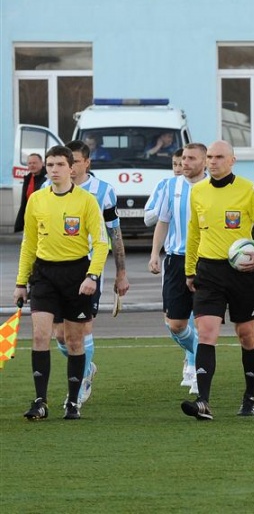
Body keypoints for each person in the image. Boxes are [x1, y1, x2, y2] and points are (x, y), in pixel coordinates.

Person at [182, 140, 254, 420]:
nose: (213, 162)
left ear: (232, 160)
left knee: (246, 334)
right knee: (206, 333)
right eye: (210, 157)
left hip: (242, 273)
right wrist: (190, 270)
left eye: (219, 157)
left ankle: (250, 395)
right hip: (208, 271)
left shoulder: (248, 190)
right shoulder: (198, 191)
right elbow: (194, 232)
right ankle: (203, 401)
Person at [15, 145, 109, 420]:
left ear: (72, 168)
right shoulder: (37, 199)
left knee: (74, 341)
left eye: (59, 165)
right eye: (50, 165)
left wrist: (92, 275)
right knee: (40, 335)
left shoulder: (86, 201)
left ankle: (73, 402)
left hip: (76, 275)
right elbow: (29, 243)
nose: (54, 170)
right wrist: (21, 282)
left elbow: (101, 243)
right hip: (44, 275)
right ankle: (40, 401)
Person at [54, 140, 129, 409]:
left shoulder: (103, 191)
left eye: (74, 161)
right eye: (66, 161)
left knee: (83, 327)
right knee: (60, 336)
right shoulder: (48, 188)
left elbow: (114, 233)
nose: (70, 167)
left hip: (89, 267)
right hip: (55, 267)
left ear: (87, 162)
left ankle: (82, 381)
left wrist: (121, 273)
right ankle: (87, 365)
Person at [148, 143, 208, 395]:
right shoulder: (171, 186)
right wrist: (155, 254)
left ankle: (198, 368)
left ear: (204, 162)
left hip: (206, 261)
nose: (185, 163)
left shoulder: (213, 186)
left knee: (204, 321)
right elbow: (162, 221)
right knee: (175, 325)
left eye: (191, 158)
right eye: (184, 158)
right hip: (176, 260)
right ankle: (197, 354)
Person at [144, 149, 184, 227]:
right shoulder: (163, 185)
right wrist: (163, 207)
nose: (177, 170)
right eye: (174, 164)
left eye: (181, 165)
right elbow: (147, 220)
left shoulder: (199, 185)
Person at [14, 153, 46, 233]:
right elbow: (24, 202)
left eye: (34, 163)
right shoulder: (28, 178)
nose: (32, 165)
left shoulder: (48, 178)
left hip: (43, 217)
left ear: (42, 163)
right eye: (30, 163)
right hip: (30, 217)